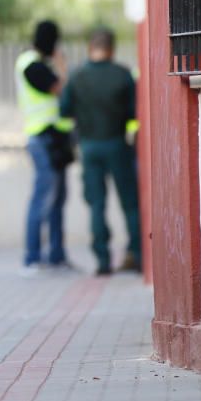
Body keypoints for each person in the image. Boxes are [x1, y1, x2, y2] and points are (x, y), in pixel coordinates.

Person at [60, 27, 140, 276]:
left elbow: (64, 110)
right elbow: (133, 111)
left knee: (96, 204)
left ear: (89, 47)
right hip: (117, 143)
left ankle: (103, 261)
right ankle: (137, 255)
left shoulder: (77, 76)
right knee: (129, 203)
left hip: (90, 146)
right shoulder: (123, 75)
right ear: (112, 49)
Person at [15, 20, 74, 275]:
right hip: (41, 139)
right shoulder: (31, 65)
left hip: (56, 138)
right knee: (43, 198)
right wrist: (62, 67)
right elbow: (61, 90)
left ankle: (57, 256)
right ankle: (31, 257)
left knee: (59, 199)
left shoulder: (41, 64)